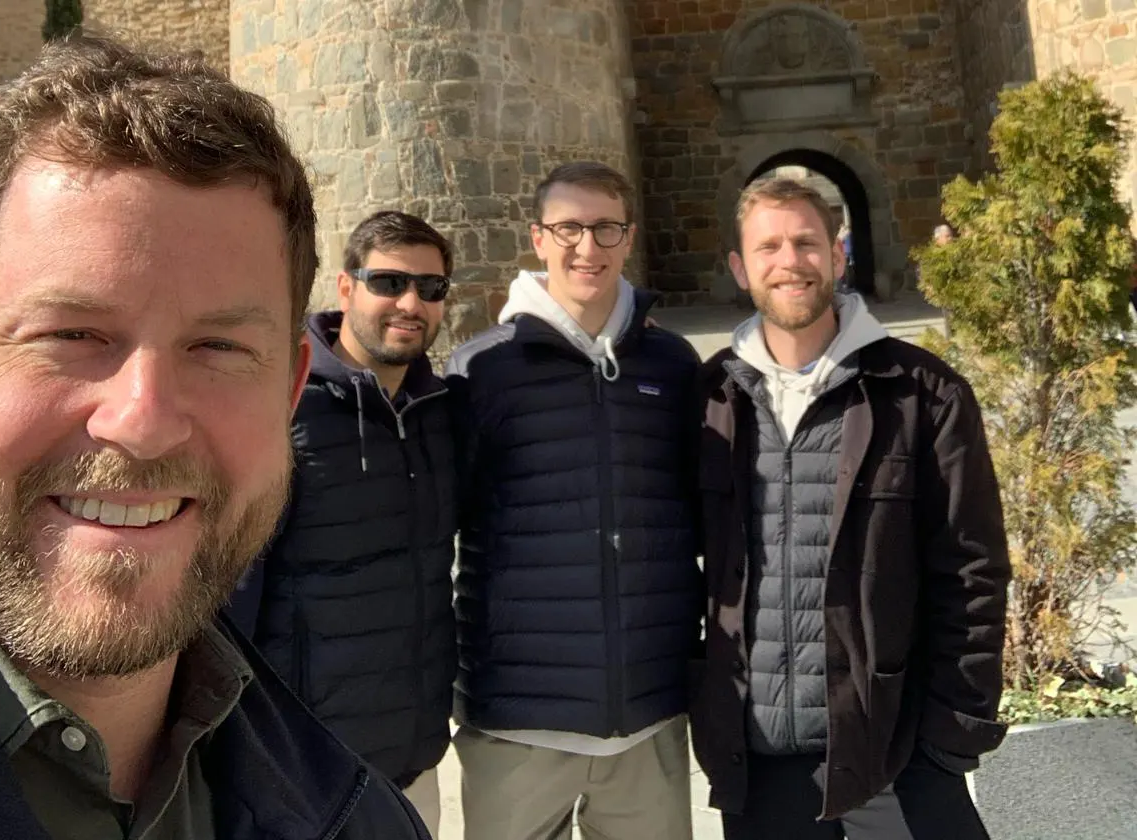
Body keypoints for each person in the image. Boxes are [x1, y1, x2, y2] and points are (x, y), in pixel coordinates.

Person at [0, 34, 429, 839]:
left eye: (220, 348)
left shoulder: (359, 820)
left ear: (290, 390)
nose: (143, 420)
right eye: (70, 334)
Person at [692, 177, 1011, 840]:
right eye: (769, 246)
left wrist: (955, 732)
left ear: (837, 256)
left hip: (895, 755)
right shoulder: (711, 397)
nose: (790, 261)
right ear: (739, 266)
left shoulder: (924, 394)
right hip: (761, 762)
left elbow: (973, 569)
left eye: (807, 242)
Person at [444, 161, 703, 840]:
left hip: (647, 718)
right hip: (519, 721)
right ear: (537, 238)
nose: (587, 247)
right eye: (568, 229)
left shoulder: (673, 367)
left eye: (605, 228)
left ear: (628, 237)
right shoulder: (481, 371)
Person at [229, 210, 457, 836]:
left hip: (411, 767)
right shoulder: (284, 407)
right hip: (303, 776)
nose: (410, 302)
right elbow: (232, 595)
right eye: (388, 282)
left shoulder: (440, 410)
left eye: (430, 289)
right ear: (346, 287)